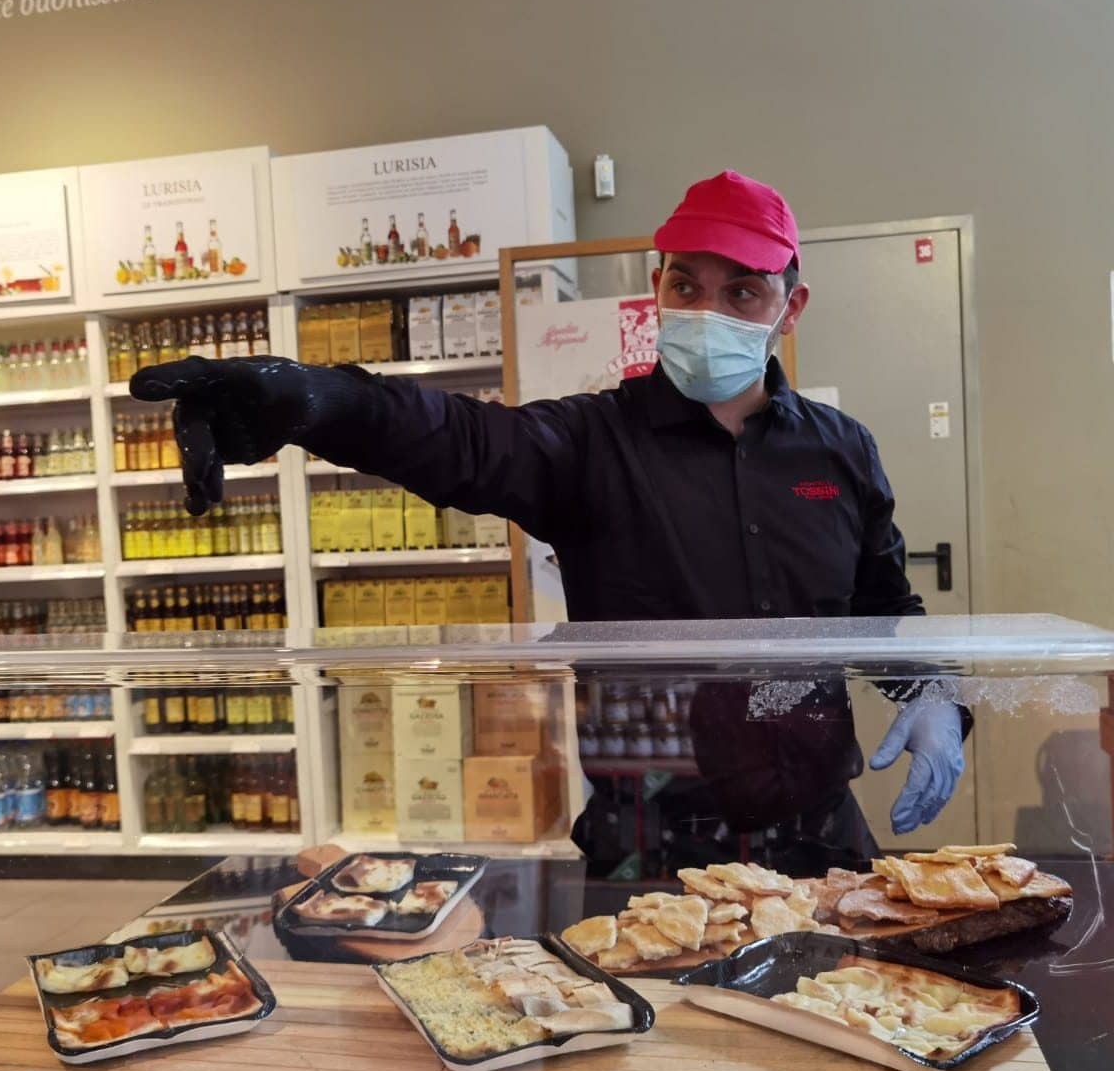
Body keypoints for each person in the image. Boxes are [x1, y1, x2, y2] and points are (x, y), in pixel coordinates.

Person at [130, 169, 966, 869]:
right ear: (657, 288)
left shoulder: (840, 452)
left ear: (791, 306)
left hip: (821, 836)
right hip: (653, 842)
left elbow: (882, 609)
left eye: (742, 292)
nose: (707, 312)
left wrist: (932, 694)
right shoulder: (591, 441)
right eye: (687, 285)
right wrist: (314, 399)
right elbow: (459, 440)